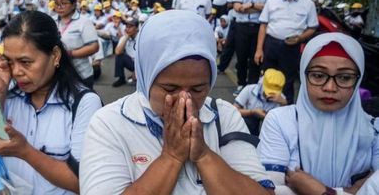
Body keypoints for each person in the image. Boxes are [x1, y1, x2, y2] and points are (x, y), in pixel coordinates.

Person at [80, 10, 274, 194]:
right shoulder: (109, 123)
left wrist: (204, 156)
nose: (184, 99)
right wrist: (171, 157)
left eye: (198, 89)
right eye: (170, 89)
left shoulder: (224, 116)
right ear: (146, 78)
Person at [0, 11, 102, 194]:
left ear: (55, 56)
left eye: (26, 62)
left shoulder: (84, 104)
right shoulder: (8, 97)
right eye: (10, 61)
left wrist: (25, 151)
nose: (16, 72)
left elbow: (82, 182)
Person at [257, 33, 379, 195]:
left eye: (344, 77)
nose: (330, 87)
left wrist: (317, 190)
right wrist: (352, 191)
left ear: (357, 81)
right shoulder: (280, 121)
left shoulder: (374, 131)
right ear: (303, 75)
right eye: (318, 75)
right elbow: (268, 191)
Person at [255, 0, 318, 104]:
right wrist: (259, 49)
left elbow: (312, 28)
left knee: (287, 80)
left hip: (291, 47)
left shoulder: (308, 4)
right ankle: (264, 108)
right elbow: (263, 26)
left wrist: (300, 39)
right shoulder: (272, 1)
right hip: (271, 44)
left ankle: (287, 110)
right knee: (267, 77)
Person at [231, 0, 279, 96]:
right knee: (241, 57)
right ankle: (241, 84)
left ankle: (251, 86)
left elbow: (271, 9)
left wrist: (250, 5)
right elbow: (237, 8)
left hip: (260, 28)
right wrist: (258, 7)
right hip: (242, 27)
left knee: (256, 59)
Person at [52, 0, 99, 89]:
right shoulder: (52, 21)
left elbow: (94, 47)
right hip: (59, 75)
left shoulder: (84, 22)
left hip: (81, 75)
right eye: (56, 3)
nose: (59, 7)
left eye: (63, 3)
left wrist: (69, 54)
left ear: (74, 4)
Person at [233, 68, 287, 136]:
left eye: (275, 91)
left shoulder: (281, 99)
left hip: (269, 123)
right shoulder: (249, 89)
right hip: (250, 119)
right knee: (248, 122)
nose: (270, 94)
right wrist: (252, 112)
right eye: (269, 90)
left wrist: (284, 104)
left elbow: (284, 123)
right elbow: (233, 110)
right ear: (261, 82)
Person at [112, 17, 139, 87]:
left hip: (142, 64)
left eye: (130, 27)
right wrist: (126, 37)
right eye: (126, 26)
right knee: (120, 56)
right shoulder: (124, 37)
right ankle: (121, 78)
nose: (127, 29)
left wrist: (137, 70)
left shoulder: (141, 38)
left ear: (136, 28)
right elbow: (117, 52)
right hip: (132, 61)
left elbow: (146, 57)